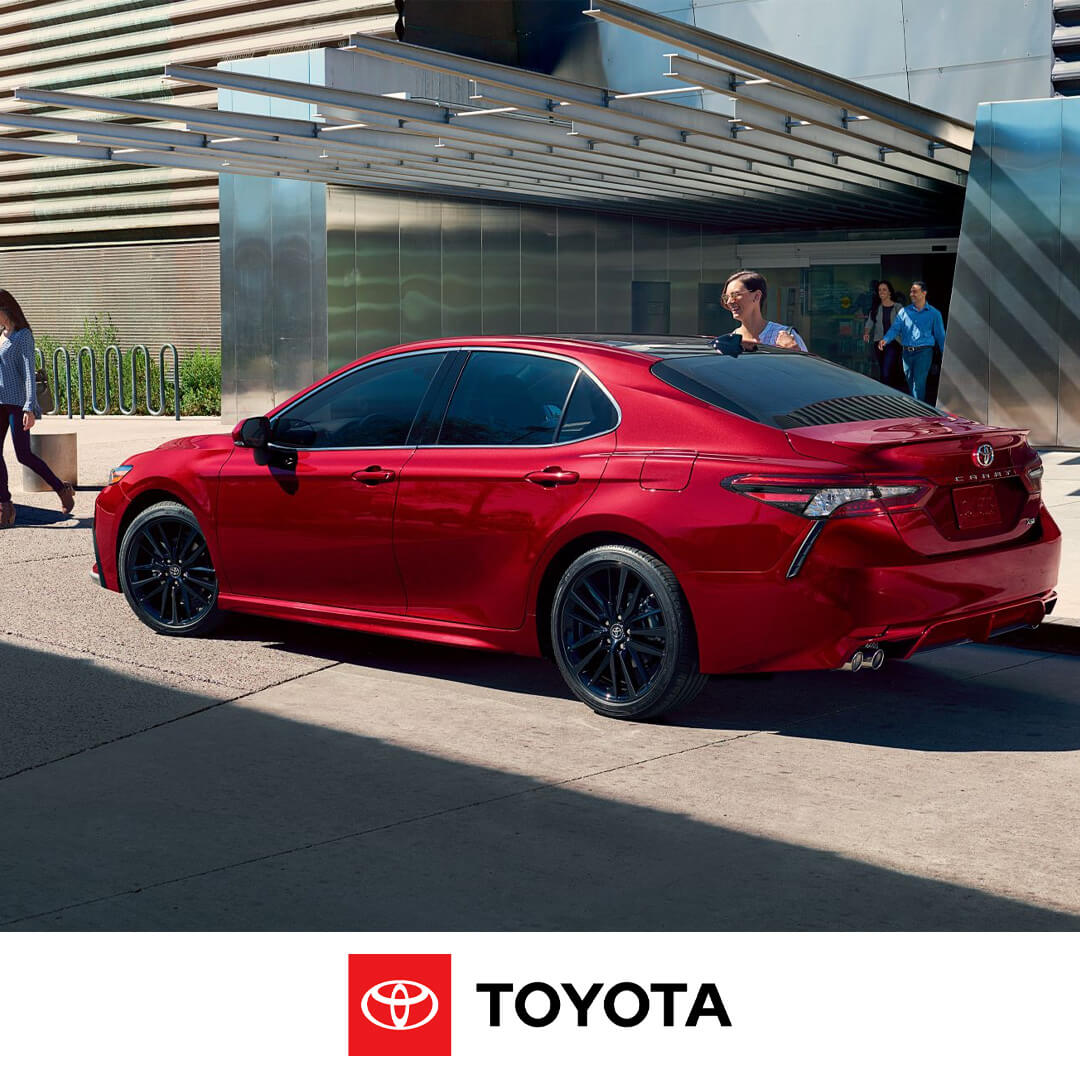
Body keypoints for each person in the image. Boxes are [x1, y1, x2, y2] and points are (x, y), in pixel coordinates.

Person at [0, 289, 74, 527]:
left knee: (23, 455)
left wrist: (29, 408)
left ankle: (61, 489)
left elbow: (30, 375)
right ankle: (5, 505)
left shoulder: (23, 336)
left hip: (17, 405)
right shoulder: (1, 335)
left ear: (5, 309)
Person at [877, 280, 946, 402]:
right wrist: (885, 339)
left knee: (918, 383)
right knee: (910, 382)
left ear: (924, 293)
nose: (911, 294)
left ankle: (919, 411)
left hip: (924, 352)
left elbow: (940, 335)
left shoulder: (934, 314)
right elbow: (895, 328)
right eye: (911, 292)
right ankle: (918, 407)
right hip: (907, 354)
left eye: (915, 292)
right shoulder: (904, 312)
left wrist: (945, 355)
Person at [721, 270, 807, 351]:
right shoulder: (730, 341)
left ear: (757, 296)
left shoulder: (787, 337)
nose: (729, 302)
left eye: (735, 295)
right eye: (726, 297)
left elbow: (807, 366)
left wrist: (794, 351)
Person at [862, 279, 904, 389]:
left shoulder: (898, 307)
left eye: (884, 289)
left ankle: (886, 393)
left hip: (894, 342)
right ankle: (889, 392)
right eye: (879, 290)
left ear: (890, 292)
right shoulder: (876, 308)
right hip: (878, 343)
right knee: (884, 369)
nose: (881, 292)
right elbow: (870, 323)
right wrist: (866, 333)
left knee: (886, 370)